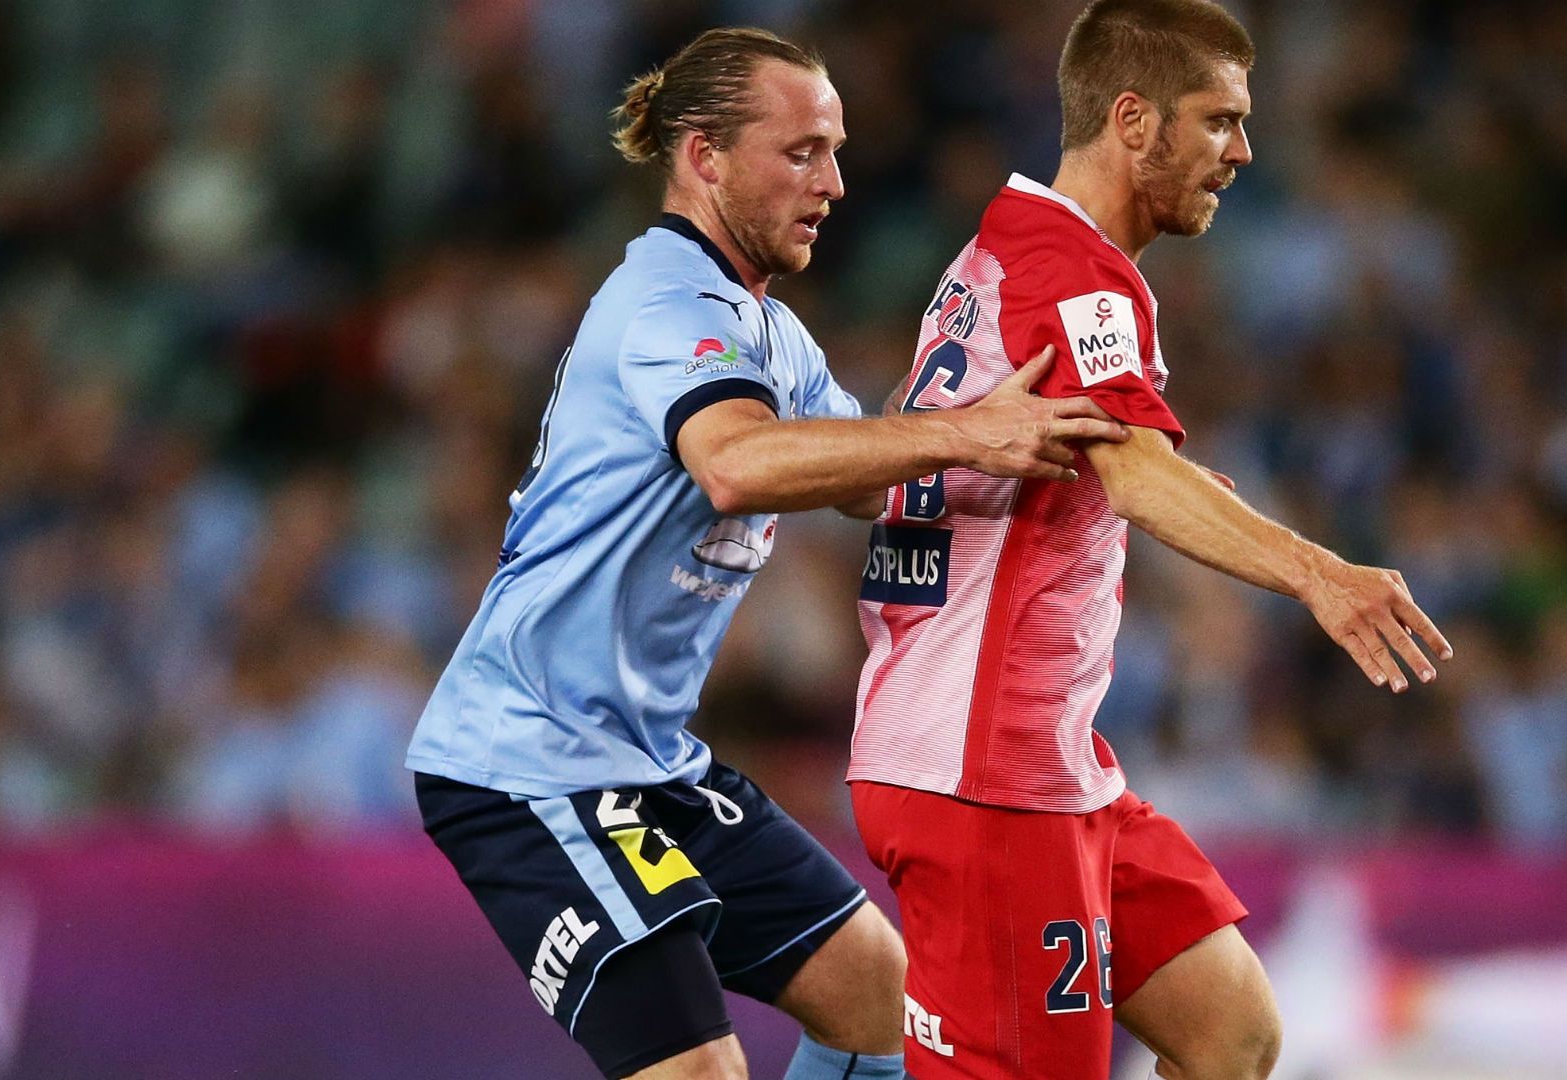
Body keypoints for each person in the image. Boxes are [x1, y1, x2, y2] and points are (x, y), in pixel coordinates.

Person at [406, 27, 1128, 1080]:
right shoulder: (666, 302)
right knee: (701, 1071)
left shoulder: (768, 333)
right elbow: (737, 464)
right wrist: (964, 434)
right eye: (800, 153)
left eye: (836, 151)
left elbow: (867, 478)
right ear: (701, 156)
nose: (834, 183)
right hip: (527, 766)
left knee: (882, 1001)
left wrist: (1014, 423)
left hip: (644, 763)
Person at [848, 2, 1454, 1077]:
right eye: (1219, 121)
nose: (1244, 152)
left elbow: (1084, 468)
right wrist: (1321, 576)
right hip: (982, 776)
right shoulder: (1071, 272)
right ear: (1134, 121)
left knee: (1231, 1033)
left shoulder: (1005, 251)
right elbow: (1129, 475)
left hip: (1050, 761)